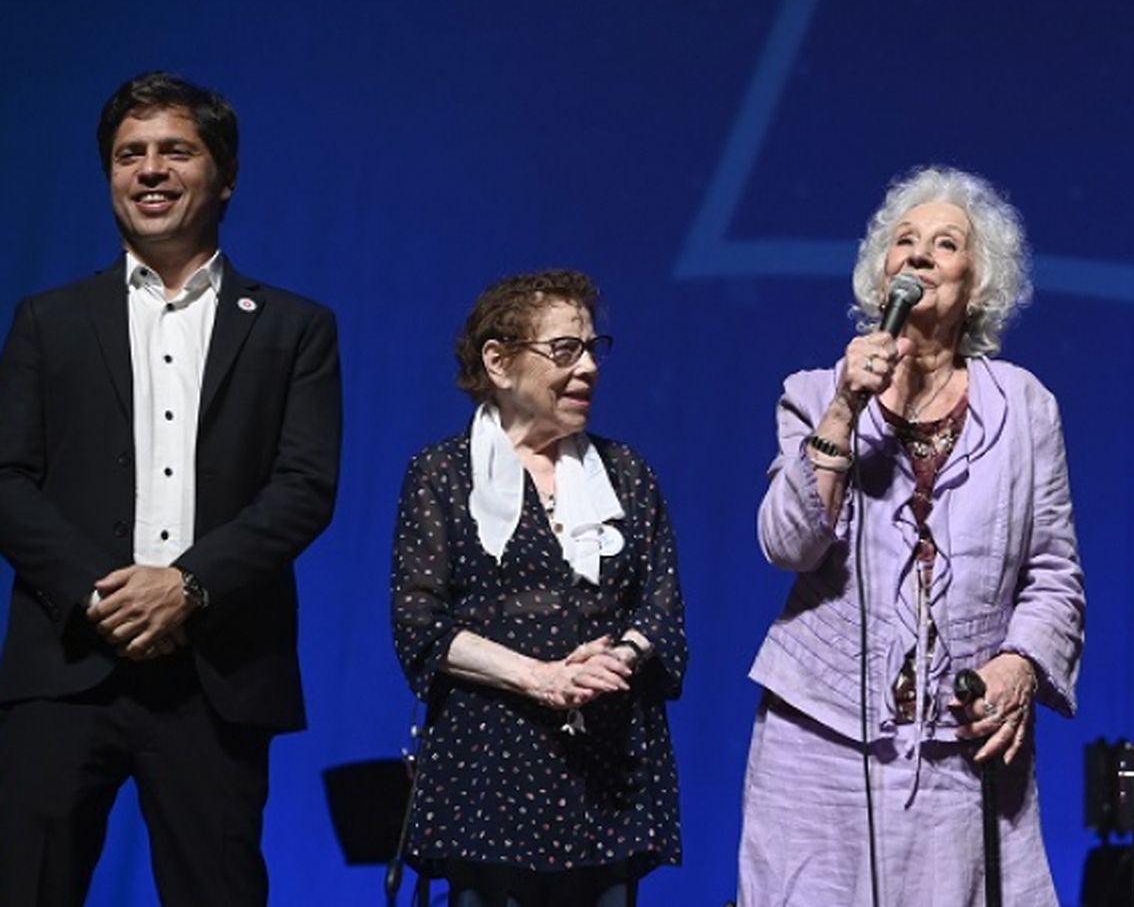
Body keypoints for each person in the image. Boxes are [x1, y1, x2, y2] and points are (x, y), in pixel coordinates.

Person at [0, 72, 342, 905]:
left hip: (215, 675)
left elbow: (304, 487)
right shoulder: (49, 321)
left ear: (224, 176)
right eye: (129, 155)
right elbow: (6, 478)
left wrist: (186, 588)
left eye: (175, 151)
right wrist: (101, 594)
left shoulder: (296, 328)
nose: (149, 170)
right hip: (66, 663)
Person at [737, 166, 1085, 907]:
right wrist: (842, 409)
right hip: (817, 740)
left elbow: (1054, 574)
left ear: (978, 284)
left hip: (962, 749)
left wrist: (1020, 666)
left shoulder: (1026, 408)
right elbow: (787, 544)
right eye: (904, 242)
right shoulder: (812, 393)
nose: (920, 255)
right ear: (882, 272)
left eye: (945, 243)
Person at [391, 269, 685, 907]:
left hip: (606, 773)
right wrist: (538, 676)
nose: (587, 369)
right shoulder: (442, 475)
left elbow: (662, 611)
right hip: (490, 770)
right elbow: (420, 624)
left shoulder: (627, 476)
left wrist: (617, 658)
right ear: (498, 362)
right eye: (564, 351)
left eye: (592, 349)